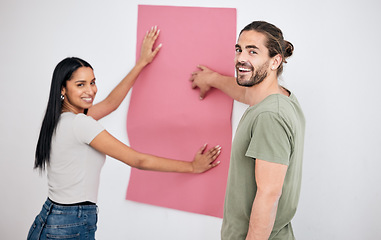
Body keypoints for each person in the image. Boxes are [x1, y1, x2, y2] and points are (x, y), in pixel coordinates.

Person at [27, 26, 221, 240]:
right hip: (70, 224)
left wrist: (141, 63)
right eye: (80, 85)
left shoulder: (58, 119)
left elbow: (110, 104)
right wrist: (192, 167)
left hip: (49, 219)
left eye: (92, 82)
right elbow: (138, 160)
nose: (90, 91)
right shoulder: (81, 124)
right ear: (63, 89)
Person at [190, 21, 305, 240]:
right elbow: (246, 94)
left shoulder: (269, 117)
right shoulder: (279, 99)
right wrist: (212, 79)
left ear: (275, 61)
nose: (241, 58)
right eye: (239, 49)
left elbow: (269, 195)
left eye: (253, 51)